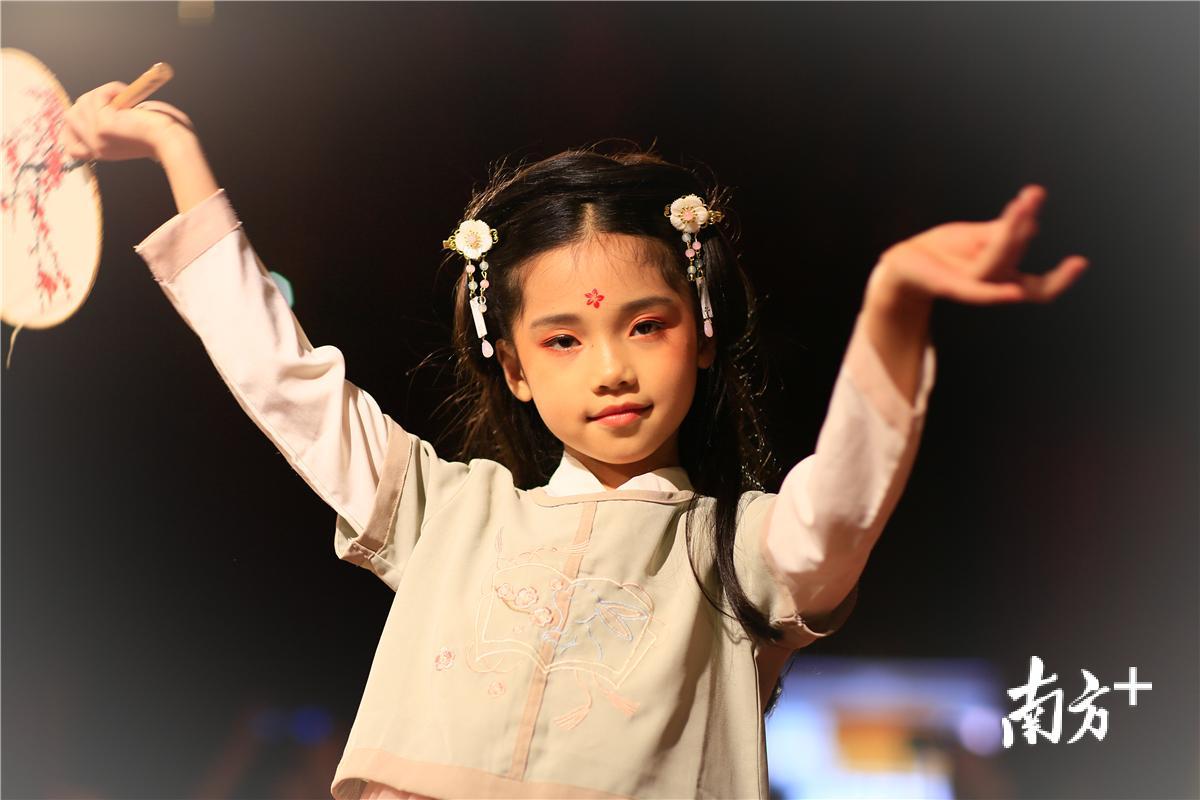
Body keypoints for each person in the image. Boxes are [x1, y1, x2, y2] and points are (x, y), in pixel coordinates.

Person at [63, 81, 1088, 800]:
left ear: (703, 334)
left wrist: (894, 308)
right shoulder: (441, 511)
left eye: (647, 325)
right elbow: (282, 378)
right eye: (563, 338)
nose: (610, 368)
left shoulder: (741, 550)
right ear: (512, 364)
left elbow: (847, 505)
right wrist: (176, 153)